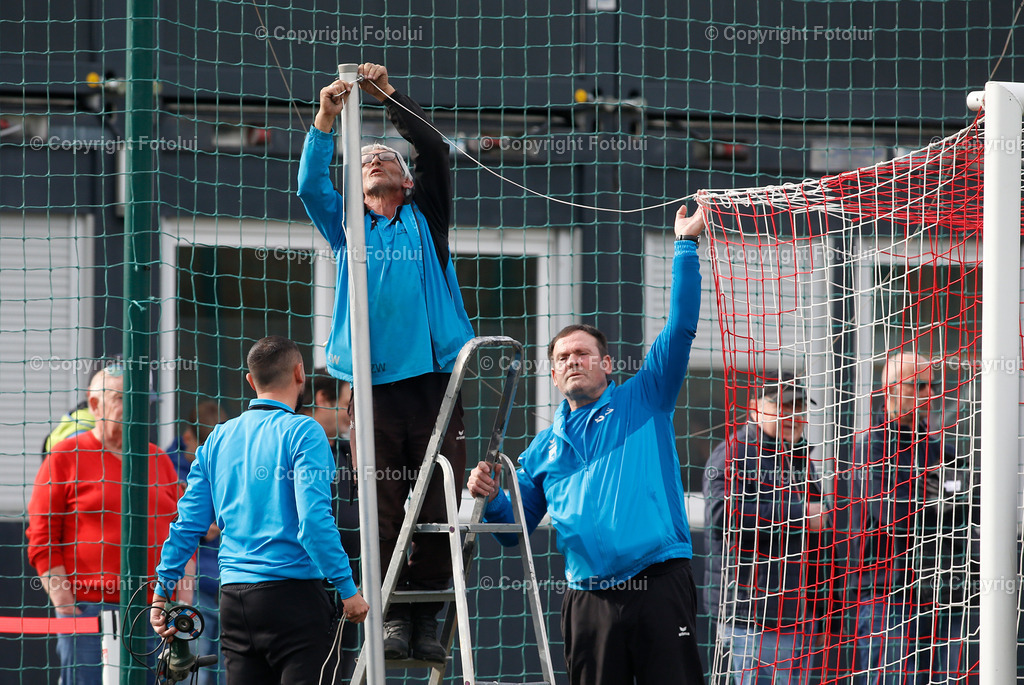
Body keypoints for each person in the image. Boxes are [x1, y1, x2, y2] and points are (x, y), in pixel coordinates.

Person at [467, 205, 707, 685]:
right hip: (587, 599)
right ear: (553, 375)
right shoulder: (540, 450)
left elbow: (680, 328)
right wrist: (492, 498)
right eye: (562, 357)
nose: (573, 361)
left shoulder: (646, 396)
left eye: (583, 353)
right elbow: (516, 532)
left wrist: (684, 246)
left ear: (608, 365)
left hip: (658, 583)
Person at [297, 62, 474, 661]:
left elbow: (430, 146)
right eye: (365, 158)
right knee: (383, 502)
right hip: (370, 388)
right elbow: (309, 184)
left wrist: (388, 98)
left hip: (434, 380)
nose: (375, 160)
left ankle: (428, 619)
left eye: (386, 158)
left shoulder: (428, 218)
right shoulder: (347, 225)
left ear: (404, 179)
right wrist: (326, 119)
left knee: (439, 502)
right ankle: (394, 615)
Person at [150, 337, 368, 684]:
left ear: (251, 381)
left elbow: (186, 525)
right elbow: (313, 523)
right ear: (300, 374)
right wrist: (347, 589)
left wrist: (162, 591)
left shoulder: (217, 439)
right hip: (294, 598)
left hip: (235, 600)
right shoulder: (305, 432)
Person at [26, 364, 185, 685]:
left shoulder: (159, 461)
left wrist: (180, 606)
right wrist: (65, 604)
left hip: (153, 612)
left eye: (145, 401)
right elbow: (42, 538)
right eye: (128, 399)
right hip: (87, 611)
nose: (141, 409)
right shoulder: (64, 456)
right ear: (96, 404)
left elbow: (180, 536)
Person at [843, 352, 976, 684]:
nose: (930, 394)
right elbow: (892, 515)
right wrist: (935, 497)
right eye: (919, 386)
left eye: (932, 386)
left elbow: (967, 513)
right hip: (886, 597)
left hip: (939, 594)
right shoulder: (870, 446)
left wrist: (934, 495)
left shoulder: (939, 449)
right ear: (890, 391)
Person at [704, 375, 827, 685]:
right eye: (783, 407)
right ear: (755, 409)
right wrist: (800, 515)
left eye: (799, 408)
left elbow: (819, 524)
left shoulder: (799, 458)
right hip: (748, 618)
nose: (793, 417)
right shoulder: (733, 453)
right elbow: (723, 515)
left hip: (795, 615)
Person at [299, 369, 360, 679]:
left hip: (347, 594)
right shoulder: (289, 443)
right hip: (301, 589)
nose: (351, 415)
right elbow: (312, 522)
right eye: (347, 404)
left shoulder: (351, 453)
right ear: (323, 399)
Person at [165, 400, 230, 685]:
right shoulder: (167, 468)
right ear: (188, 438)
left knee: (231, 670)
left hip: (232, 585)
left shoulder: (231, 462)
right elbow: (173, 524)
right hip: (193, 589)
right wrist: (201, 522)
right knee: (194, 672)